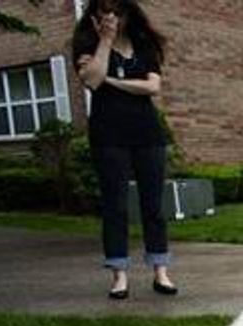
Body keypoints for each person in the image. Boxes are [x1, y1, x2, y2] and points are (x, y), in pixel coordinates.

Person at [72, 0, 177, 299]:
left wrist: (113, 81)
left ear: (128, 14)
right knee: (114, 206)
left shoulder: (143, 46)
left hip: (147, 133)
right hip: (109, 135)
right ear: (94, 17)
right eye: (104, 13)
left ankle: (161, 272)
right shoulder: (86, 44)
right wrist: (104, 42)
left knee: (153, 206)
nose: (111, 18)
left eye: (116, 12)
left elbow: (153, 87)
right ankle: (119, 276)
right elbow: (92, 80)